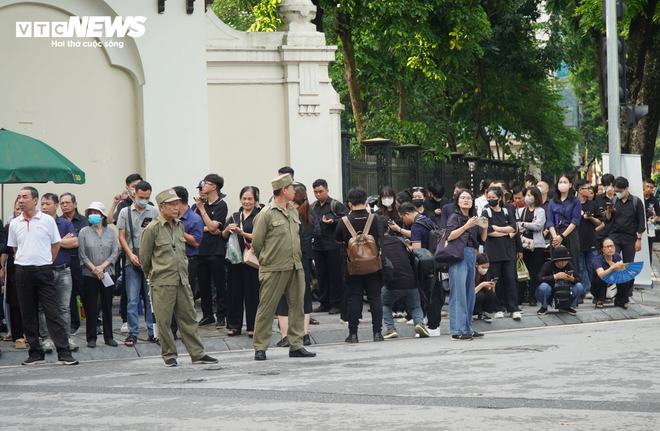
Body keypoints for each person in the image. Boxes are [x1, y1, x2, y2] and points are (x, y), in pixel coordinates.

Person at [140, 189, 218, 367]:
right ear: (161, 207)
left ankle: (197, 353)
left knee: (189, 318)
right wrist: (153, 277)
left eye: (177, 204)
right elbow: (145, 259)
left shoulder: (180, 225)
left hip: (182, 280)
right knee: (164, 321)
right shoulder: (152, 229)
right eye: (172, 205)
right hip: (162, 282)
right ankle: (169, 355)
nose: (176, 208)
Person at [7, 187, 78, 365]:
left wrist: (46, 262)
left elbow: (55, 245)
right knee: (28, 314)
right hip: (23, 272)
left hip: (44, 272)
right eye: (19, 197)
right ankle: (35, 353)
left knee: (53, 312)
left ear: (35, 200)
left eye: (25, 197)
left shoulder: (46, 220)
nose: (21, 200)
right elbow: (15, 249)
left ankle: (64, 352)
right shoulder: (15, 223)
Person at [251, 174, 316, 361]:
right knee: (267, 307)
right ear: (283, 190)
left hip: (295, 266)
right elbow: (257, 244)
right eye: (291, 188)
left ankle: (296, 345)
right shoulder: (266, 214)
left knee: (297, 307)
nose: (294, 191)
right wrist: (266, 261)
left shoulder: (293, 211)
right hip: (273, 268)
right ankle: (260, 347)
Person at [334, 186, 384, 343]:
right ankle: (377, 333)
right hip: (374, 264)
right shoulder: (375, 218)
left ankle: (353, 334)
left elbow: (338, 240)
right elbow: (380, 236)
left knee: (354, 298)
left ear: (349, 204)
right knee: (375, 297)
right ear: (366, 201)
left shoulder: (343, 221)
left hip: (352, 266)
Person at [117, 181, 158, 346]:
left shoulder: (154, 211)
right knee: (132, 299)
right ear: (134, 193)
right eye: (141, 197)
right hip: (131, 258)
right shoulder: (125, 212)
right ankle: (133, 333)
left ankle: (152, 332)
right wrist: (130, 254)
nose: (144, 200)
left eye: (147, 197)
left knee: (151, 299)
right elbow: (121, 236)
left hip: (151, 261)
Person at [445, 189, 488, 340]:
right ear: (457, 201)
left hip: (471, 254)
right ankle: (458, 330)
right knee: (459, 294)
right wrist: (466, 226)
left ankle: (467, 327)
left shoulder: (474, 219)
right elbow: (449, 236)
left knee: (470, 294)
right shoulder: (454, 217)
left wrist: (484, 228)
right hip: (458, 255)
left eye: (468, 198)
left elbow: (481, 240)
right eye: (462, 198)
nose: (466, 200)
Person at [275, 186, 315, 347]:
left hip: (286, 260)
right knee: (304, 298)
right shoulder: (309, 216)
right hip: (304, 261)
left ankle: (285, 336)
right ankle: (305, 335)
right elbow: (317, 232)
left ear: (293, 200)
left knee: (283, 297)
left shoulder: (289, 215)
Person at [38, 193, 78, 353]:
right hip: (44, 270)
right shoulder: (38, 224)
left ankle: (65, 338)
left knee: (64, 307)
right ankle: (46, 339)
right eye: (42, 204)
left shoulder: (65, 223)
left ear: (56, 206)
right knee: (43, 308)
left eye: (48, 204)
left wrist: (54, 241)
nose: (44, 207)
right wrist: (62, 241)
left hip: (64, 271)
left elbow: (74, 242)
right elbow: (39, 245)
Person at [397, 202, 443, 336]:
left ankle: (432, 327)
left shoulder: (416, 226)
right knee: (434, 294)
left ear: (407, 213)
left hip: (424, 265)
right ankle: (430, 324)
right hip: (433, 262)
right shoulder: (426, 220)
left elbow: (417, 250)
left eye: (403, 218)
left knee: (427, 296)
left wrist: (406, 247)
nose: (404, 221)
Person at [78, 202, 119, 348]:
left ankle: (109, 336)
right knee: (91, 306)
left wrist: (102, 267)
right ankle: (91, 337)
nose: (93, 216)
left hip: (107, 273)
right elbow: (82, 254)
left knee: (107, 305)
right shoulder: (84, 232)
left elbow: (115, 252)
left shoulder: (111, 232)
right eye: (91, 213)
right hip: (90, 274)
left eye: (96, 213)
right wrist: (94, 269)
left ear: (102, 215)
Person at [223, 186, 261, 337]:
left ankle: (253, 325)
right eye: (244, 198)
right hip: (235, 260)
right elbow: (223, 236)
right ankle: (234, 325)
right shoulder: (234, 216)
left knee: (253, 294)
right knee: (234, 293)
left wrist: (242, 233)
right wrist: (228, 229)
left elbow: (260, 237)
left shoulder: (260, 216)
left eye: (250, 199)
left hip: (252, 260)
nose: (246, 201)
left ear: (255, 200)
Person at [380, 223, 429, 339]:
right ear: (388, 229)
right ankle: (419, 323)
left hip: (392, 284)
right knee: (415, 306)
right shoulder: (400, 240)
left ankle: (391, 329)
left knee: (384, 303)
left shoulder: (377, 244)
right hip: (411, 281)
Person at [193, 174, 229, 329]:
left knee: (220, 285)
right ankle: (207, 315)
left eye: (206, 184)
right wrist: (208, 227)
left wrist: (202, 211)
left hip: (216, 251)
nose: (203, 187)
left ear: (214, 187)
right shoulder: (199, 205)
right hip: (201, 250)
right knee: (203, 285)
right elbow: (195, 227)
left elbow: (215, 227)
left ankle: (221, 315)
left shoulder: (221, 205)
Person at [482, 186, 521, 319]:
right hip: (492, 253)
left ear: (499, 198)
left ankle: (513, 308)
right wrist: (505, 232)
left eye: (493, 197)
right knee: (495, 281)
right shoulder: (485, 212)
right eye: (489, 198)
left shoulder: (506, 211)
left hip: (508, 252)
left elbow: (513, 227)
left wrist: (498, 229)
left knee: (510, 279)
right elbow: (488, 232)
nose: (490, 200)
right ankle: (497, 308)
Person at [605, 176, 645, 303]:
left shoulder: (636, 201)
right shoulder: (614, 200)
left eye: (619, 190)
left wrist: (639, 239)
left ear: (626, 188)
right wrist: (609, 211)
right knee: (614, 264)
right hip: (615, 237)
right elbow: (608, 220)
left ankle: (627, 293)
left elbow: (641, 222)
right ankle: (614, 292)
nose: (618, 193)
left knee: (629, 265)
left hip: (629, 238)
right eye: (616, 190)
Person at [170, 186, 204, 337]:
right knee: (171, 297)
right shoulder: (169, 217)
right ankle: (171, 330)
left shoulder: (194, 218)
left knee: (186, 298)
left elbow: (196, 241)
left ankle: (188, 332)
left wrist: (177, 230)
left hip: (188, 261)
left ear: (178, 201)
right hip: (171, 262)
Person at [310, 179, 347, 315]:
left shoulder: (335, 205)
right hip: (318, 245)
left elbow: (345, 221)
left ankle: (336, 304)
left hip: (333, 244)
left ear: (327, 190)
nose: (318, 194)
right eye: (315, 192)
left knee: (335, 275)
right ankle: (324, 303)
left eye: (320, 191)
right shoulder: (313, 206)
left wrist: (333, 222)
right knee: (321, 275)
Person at [59, 193, 88, 336]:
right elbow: (57, 241)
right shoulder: (59, 222)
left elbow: (79, 241)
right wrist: (64, 241)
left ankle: (94, 322)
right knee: (68, 295)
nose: (64, 205)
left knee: (85, 293)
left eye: (67, 202)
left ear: (75, 204)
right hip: (65, 261)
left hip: (79, 261)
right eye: (62, 203)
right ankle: (74, 324)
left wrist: (65, 241)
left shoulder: (83, 220)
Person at [1, 198, 25, 349]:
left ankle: (32, 333)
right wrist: (2, 267)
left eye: (21, 209)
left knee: (31, 301)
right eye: (17, 209)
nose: (19, 211)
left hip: (31, 267)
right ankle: (18, 336)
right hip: (13, 266)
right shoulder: (9, 227)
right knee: (15, 302)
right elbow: (5, 248)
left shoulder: (37, 224)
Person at [517, 187, 546, 306]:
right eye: (527, 195)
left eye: (530, 195)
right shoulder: (521, 211)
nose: (528, 197)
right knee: (522, 272)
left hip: (537, 245)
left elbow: (538, 226)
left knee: (534, 272)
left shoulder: (540, 211)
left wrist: (524, 223)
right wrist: (529, 224)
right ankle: (520, 297)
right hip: (524, 245)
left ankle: (533, 297)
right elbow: (517, 227)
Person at [546, 174, 581, 272]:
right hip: (555, 233)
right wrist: (555, 237)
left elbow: (575, 221)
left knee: (572, 262)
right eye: (560, 182)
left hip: (569, 234)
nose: (562, 184)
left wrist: (562, 236)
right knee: (556, 262)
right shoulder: (552, 201)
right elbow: (549, 221)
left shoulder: (575, 201)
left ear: (570, 185)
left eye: (565, 182)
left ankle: (572, 284)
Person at [535, 245, 584, 315]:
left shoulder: (569, 265)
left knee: (579, 286)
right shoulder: (548, 265)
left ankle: (568, 306)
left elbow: (578, 279)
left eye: (565, 260)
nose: (563, 263)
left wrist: (572, 279)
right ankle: (544, 307)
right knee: (543, 287)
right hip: (551, 291)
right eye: (561, 260)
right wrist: (554, 277)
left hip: (565, 291)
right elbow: (538, 279)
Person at [575, 179, 603, 299]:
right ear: (580, 190)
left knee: (592, 268)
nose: (590, 190)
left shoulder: (593, 204)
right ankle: (581, 292)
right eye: (588, 188)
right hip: (577, 242)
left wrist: (590, 218)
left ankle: (594, 292)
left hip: (591, 241)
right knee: (579, 268)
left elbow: (600, 222)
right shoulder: (573, 204)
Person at [591, 238, 632, 309]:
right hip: (600, 285)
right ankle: (600, 299)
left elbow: (623, 272)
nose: (610, 248)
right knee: (602, 278)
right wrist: (612, 268)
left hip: (614, 281)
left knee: (628, 278)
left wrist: (621, 268)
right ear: (602, 249)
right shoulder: (598, 259)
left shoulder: (617, 256)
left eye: (612, 246)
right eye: (607, 247)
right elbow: (601, 275)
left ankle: (620, 300)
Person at [473, 253, 499, 322]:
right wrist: (482, 285)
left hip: (481, 293)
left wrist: (491, 285)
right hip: (474, 295)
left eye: (487, 267)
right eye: (483, 267)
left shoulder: (485, 274)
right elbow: (471, 293)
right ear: (476, 265)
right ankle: (472, 313)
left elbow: (490, 292)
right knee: (480, 295)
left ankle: (483, 312)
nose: (485, 269)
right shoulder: (472, 273)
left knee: (490, 294)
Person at [643, 178, 659, 263]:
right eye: (647, 186)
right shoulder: (639, 198)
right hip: (639, 226)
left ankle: (649, 265)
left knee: (649, 248)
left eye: (651, 187)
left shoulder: (654, 200)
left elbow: (657, 214)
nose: (648, 189)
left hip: (649, 227)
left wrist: (653, 220)